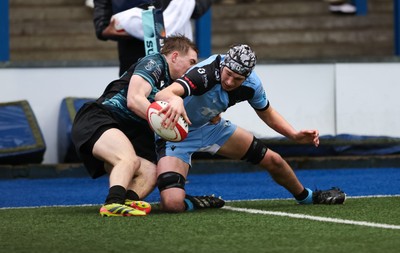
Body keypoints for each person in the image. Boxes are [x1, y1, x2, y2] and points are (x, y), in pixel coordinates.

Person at [154, 44, 346, 212]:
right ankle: (196, 202)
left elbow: (267, 113)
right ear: (223, 65)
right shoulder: (206, 72)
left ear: (246, 77)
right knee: (172, 205)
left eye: (237, 79)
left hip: (211, 127)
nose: (229, 82)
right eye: (228, 74)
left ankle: (308, 197)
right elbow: (163, 94)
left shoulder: (252, 84)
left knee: (275, 160)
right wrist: (175, 99)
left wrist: (294, 135)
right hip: (177, 133)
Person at [71, 35, 201, 217]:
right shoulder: (155, 62)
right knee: (128, 159)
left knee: (151, 171)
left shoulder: (174, 86)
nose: (192, 69)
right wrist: (165, 122)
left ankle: (127, 201)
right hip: (99, 118)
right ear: (174, 56)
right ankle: (112, 203)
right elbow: (134, 100)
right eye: (191, 62)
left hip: (125, 129)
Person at [93, 0, 214, 76]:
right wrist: (140, 28)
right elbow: (102, 28)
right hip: (133, 64)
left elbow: (198, 8)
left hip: (177, 64)